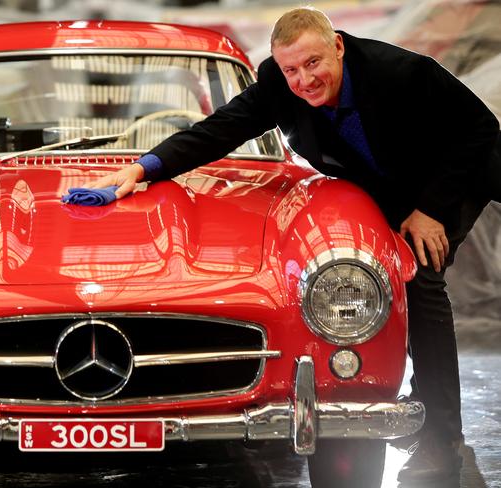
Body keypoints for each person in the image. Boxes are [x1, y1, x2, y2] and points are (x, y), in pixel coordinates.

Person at [86, 6, 501, 483]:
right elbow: (220, 129)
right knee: (380, 276)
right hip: (389, 185)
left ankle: (443, 436)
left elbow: (478, 128)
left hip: (452, 175)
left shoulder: (400, 72)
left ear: (338, 46)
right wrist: (144, 169)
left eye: (314, 63)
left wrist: (430, 210)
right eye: (291, 70)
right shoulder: (279, 85)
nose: (304, 80)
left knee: (421, 280)